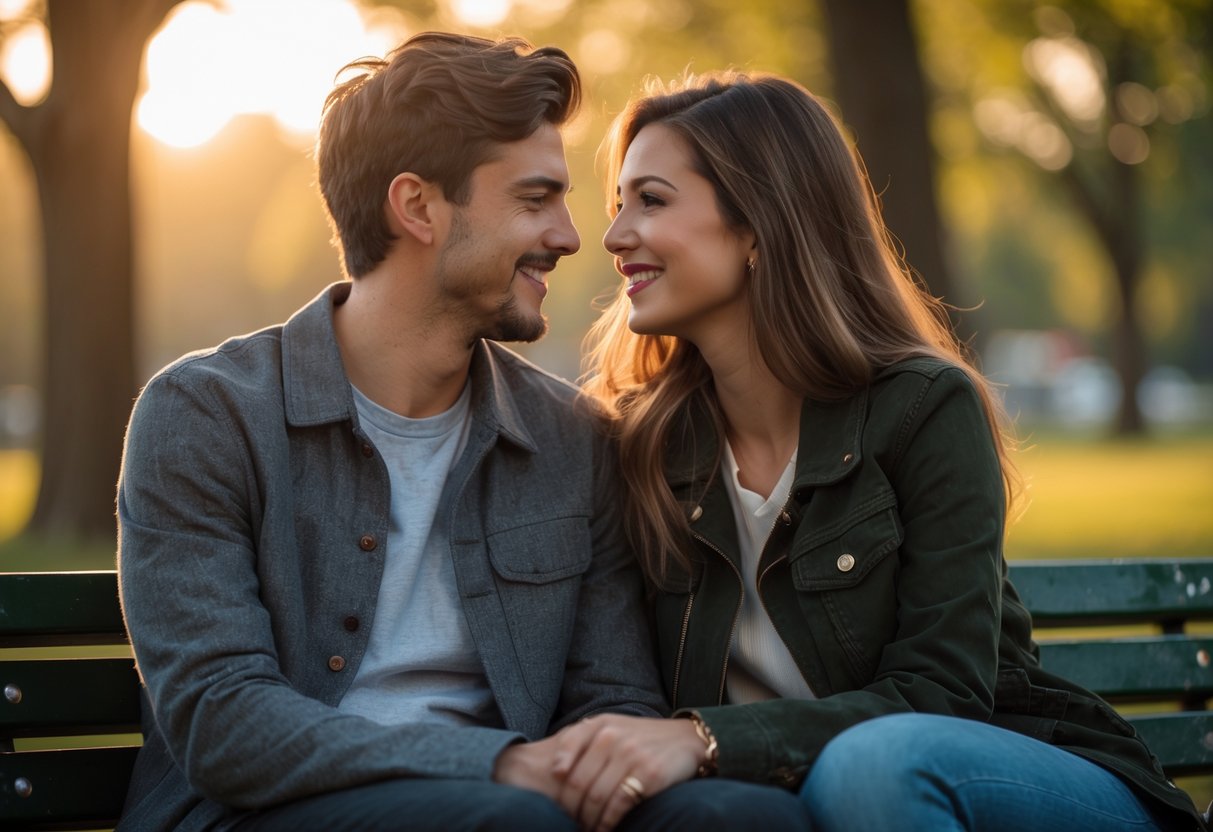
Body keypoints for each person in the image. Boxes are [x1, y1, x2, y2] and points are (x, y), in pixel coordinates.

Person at [115, 36, 808, 832]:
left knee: (741, 819)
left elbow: (611, 695)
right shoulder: (206, 415)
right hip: (261, 813)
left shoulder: (571, 439)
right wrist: (499, 763)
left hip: (515, 804)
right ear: (416, 208)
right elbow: (223, 722)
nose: (572, 235)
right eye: (534, 198)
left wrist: (594, 770)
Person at [562, 71, 1209, 831]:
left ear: (758, 227)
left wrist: (708, 741)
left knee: (872, 765)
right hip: (779, 800)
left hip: (1002, 776)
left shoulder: (923, 408)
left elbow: (942, 692)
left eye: (652, 201)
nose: (612, 237)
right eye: (617, 204)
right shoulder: (639, 444)